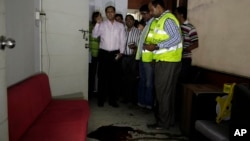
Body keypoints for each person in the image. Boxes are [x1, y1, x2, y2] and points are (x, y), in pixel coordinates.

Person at [145, 0, 183, 129]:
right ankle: (169, 121)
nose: (150, 13)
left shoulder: (167, 19)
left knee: (162, 93)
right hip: (169, 61)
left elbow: (176, 38)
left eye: (151, 10)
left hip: (167, 61)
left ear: (159, 7)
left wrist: (156, 46)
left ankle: (163, 123)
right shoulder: (162, 19)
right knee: (168, 93)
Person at [92, 5, 126, 108]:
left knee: (114, 78)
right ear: (106, 13)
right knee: (102, 77)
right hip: (104, 53)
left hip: (115, 53)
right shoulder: (101, 24)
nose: (110, 13)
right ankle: (101, 100)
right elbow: (94, 35)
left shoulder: (120, 26)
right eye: (108, 12)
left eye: (112, 11)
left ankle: (113, 100)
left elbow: (123, 39)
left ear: (114, 13)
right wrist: (97, 23)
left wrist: (121, 52)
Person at [135, 4, 155, 110]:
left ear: (150, 12)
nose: (143, 16)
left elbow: (154, 42)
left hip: (149, 58)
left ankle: (148, 103)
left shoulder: (154, 24)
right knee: (143, 80)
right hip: (143, 57)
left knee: (148, 82)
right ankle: (141, 101)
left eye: (144, 13)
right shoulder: (147, 24)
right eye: (141, 14)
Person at [120, 15, 141, 104]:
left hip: (133, 58)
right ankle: (125, 97)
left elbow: (141, 45)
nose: (128, 21)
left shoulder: (138, 32)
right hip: (123, 57)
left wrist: (136, 47)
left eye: (130, 20)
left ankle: (132, 98)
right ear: (125, 21)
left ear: (133, 21)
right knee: (124, 78)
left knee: (133, 78)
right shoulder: (122, 31)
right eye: (127, 20)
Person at [175, 6, 199, 83]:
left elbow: (196, 44)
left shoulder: (190, 28)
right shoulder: (176, 26)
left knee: (182, 80)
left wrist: (184, 50)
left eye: (176, 14)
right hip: (175, 58)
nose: (175, 16)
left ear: (181, 15)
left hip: (185, 59)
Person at [89, 11, 101, 98]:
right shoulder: (90, 25)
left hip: (102, 52)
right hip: (92, 53)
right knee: (92, 73)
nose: (98, 18)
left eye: (99, 16)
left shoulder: (103, 26)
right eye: (96, 17)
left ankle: (99, 91)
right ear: (94, 18)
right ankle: (91, 91)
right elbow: (93, 37)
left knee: (100, 73)